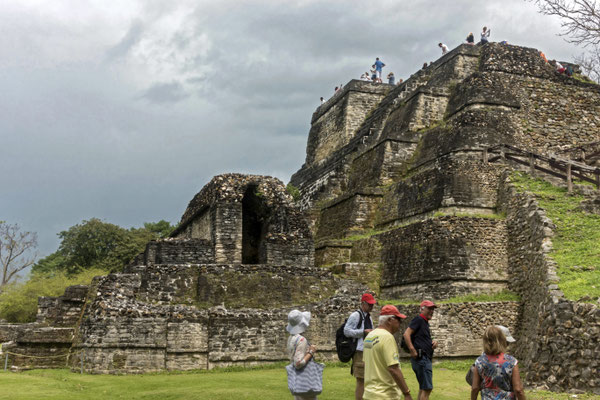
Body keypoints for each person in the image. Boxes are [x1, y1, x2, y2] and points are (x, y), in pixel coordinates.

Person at [363, 305, 413, 400]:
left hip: (369, 394)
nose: (400, 323)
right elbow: (393, 368)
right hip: (385, 395)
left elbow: (366, 363)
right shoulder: (387, 337)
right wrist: (406, 393)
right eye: (398, 320)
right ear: (390, 320)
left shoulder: (369, 336)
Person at [470, 326, 526, 400]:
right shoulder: (512, 361)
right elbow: (518, 390)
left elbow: (475, 388)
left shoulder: (479, 361)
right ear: (502, 340)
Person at [403, 300, 438, 400]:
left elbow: (420, 339)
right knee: (427, 388)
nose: (432, 311)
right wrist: (412, 350)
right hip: (422, 359)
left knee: (423, 388)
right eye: (429, 308)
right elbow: (406, 334)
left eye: (433, 309)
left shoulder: (425, 322)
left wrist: (433, 343)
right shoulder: (419, 319)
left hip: (423, 358)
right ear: (422, 308)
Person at [344, 293, 376, 400]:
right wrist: (363, 332)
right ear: (363, 304)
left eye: (372, 304)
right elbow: (346, 331)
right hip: (359, 352)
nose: (372, 307)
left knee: (367, 379)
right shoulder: (356, 315)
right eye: (370, 304)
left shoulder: (368, 317)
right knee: (361, 380)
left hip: (367, 351)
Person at [287, 309, 319, 400]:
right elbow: (298, 363)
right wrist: (311, 352)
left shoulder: (291, 338)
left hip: (295, 379)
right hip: (305, 379)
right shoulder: (301, 340)